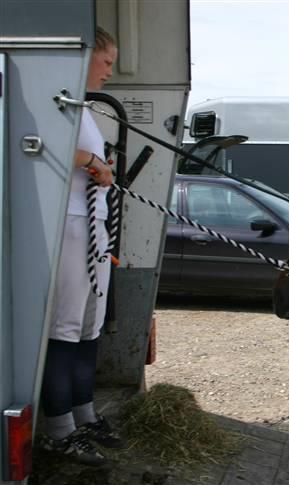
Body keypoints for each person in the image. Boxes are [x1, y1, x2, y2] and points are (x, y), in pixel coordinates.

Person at [39, 27, 122, 466]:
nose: (110, 72)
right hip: (71, 224)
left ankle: (84, 415)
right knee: (66, 329)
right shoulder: (58, 99)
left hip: (92, 223)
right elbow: (41, 147)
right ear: (86, 55)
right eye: (107, 62)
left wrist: (99, 166)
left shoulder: (83, 108)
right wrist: (93, 162)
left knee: (89, 327)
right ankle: (58, 431)